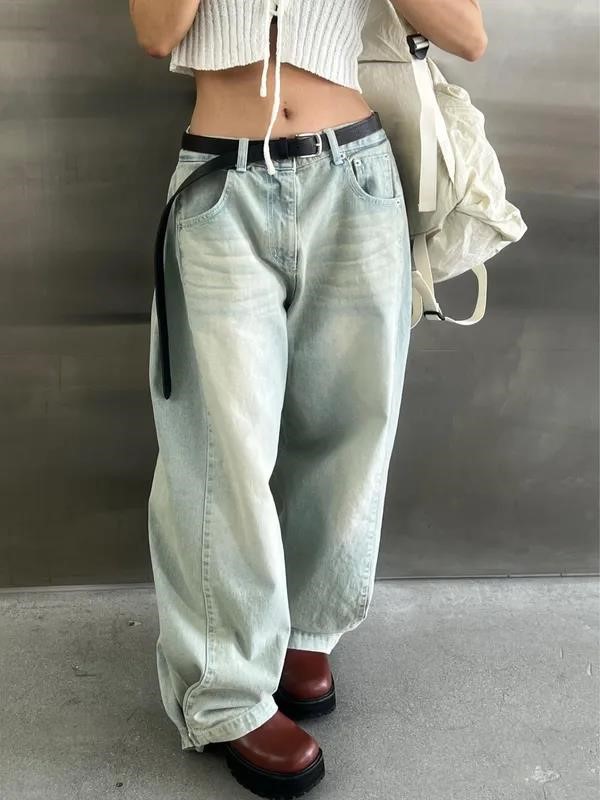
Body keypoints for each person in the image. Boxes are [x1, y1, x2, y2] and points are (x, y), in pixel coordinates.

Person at [129, 1, 487, 797]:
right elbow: (157, 33)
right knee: (218, 451)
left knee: (349, 428)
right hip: (222, 184)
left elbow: (468, 34)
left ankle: (306, 626)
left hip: (354, 173)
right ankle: (225, 692)